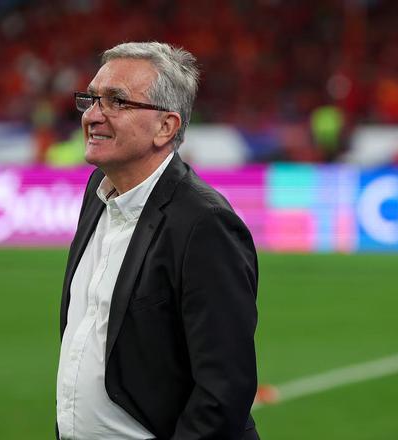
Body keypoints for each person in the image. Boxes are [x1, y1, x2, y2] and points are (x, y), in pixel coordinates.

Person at [56, 42, 260, 440]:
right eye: (91, 99)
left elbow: (223, 391)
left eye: (116, 101)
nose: (93, 115)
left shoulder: (206, 224)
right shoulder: (98, 191)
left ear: (166, 126)